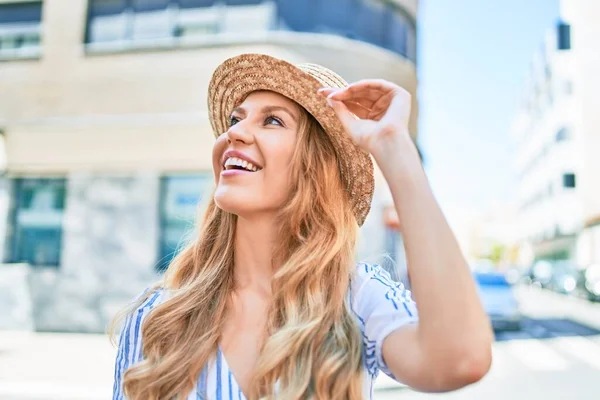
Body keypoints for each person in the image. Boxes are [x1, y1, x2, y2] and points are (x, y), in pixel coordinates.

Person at [111, 53, 493, 400]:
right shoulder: (156, 316)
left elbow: (460, 360)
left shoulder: (356, 299)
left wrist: (393, 146)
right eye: (235, 119)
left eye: (272, 120)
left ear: (313, 168)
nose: (235, 134)